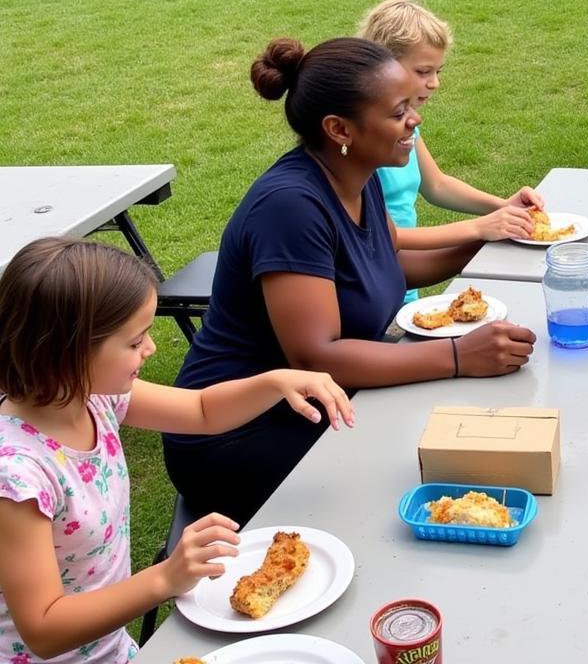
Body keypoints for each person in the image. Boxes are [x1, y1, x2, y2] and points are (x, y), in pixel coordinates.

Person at [163, 37, 537, 524]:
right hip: (240, 434)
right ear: (339, 128)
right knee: (421, 478)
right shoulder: (291, 207)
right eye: (398, 111)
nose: (415, 120)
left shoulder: (360, 177)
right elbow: (316, 354)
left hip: (325, 401)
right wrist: (457, 356)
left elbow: (388, 266)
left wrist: (492, 238)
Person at [0, 237, 353, 663]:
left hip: (111, 650)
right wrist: (165, 578)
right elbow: (43, 626)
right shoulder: (18, 475)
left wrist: (275, 382)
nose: (149, 349)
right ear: (69, 351)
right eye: (135, 342)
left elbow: (203, 411)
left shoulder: (90, 395)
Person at [358, 0, 540, 298]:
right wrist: (479, 228)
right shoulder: (366, 140)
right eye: (423, 71)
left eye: (437, 72)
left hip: (404, 287)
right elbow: (384, 237)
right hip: (373, 291)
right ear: (384, 67)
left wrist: (503, 206)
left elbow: (437, 185)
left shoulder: (406, 125)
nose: (434, 83)